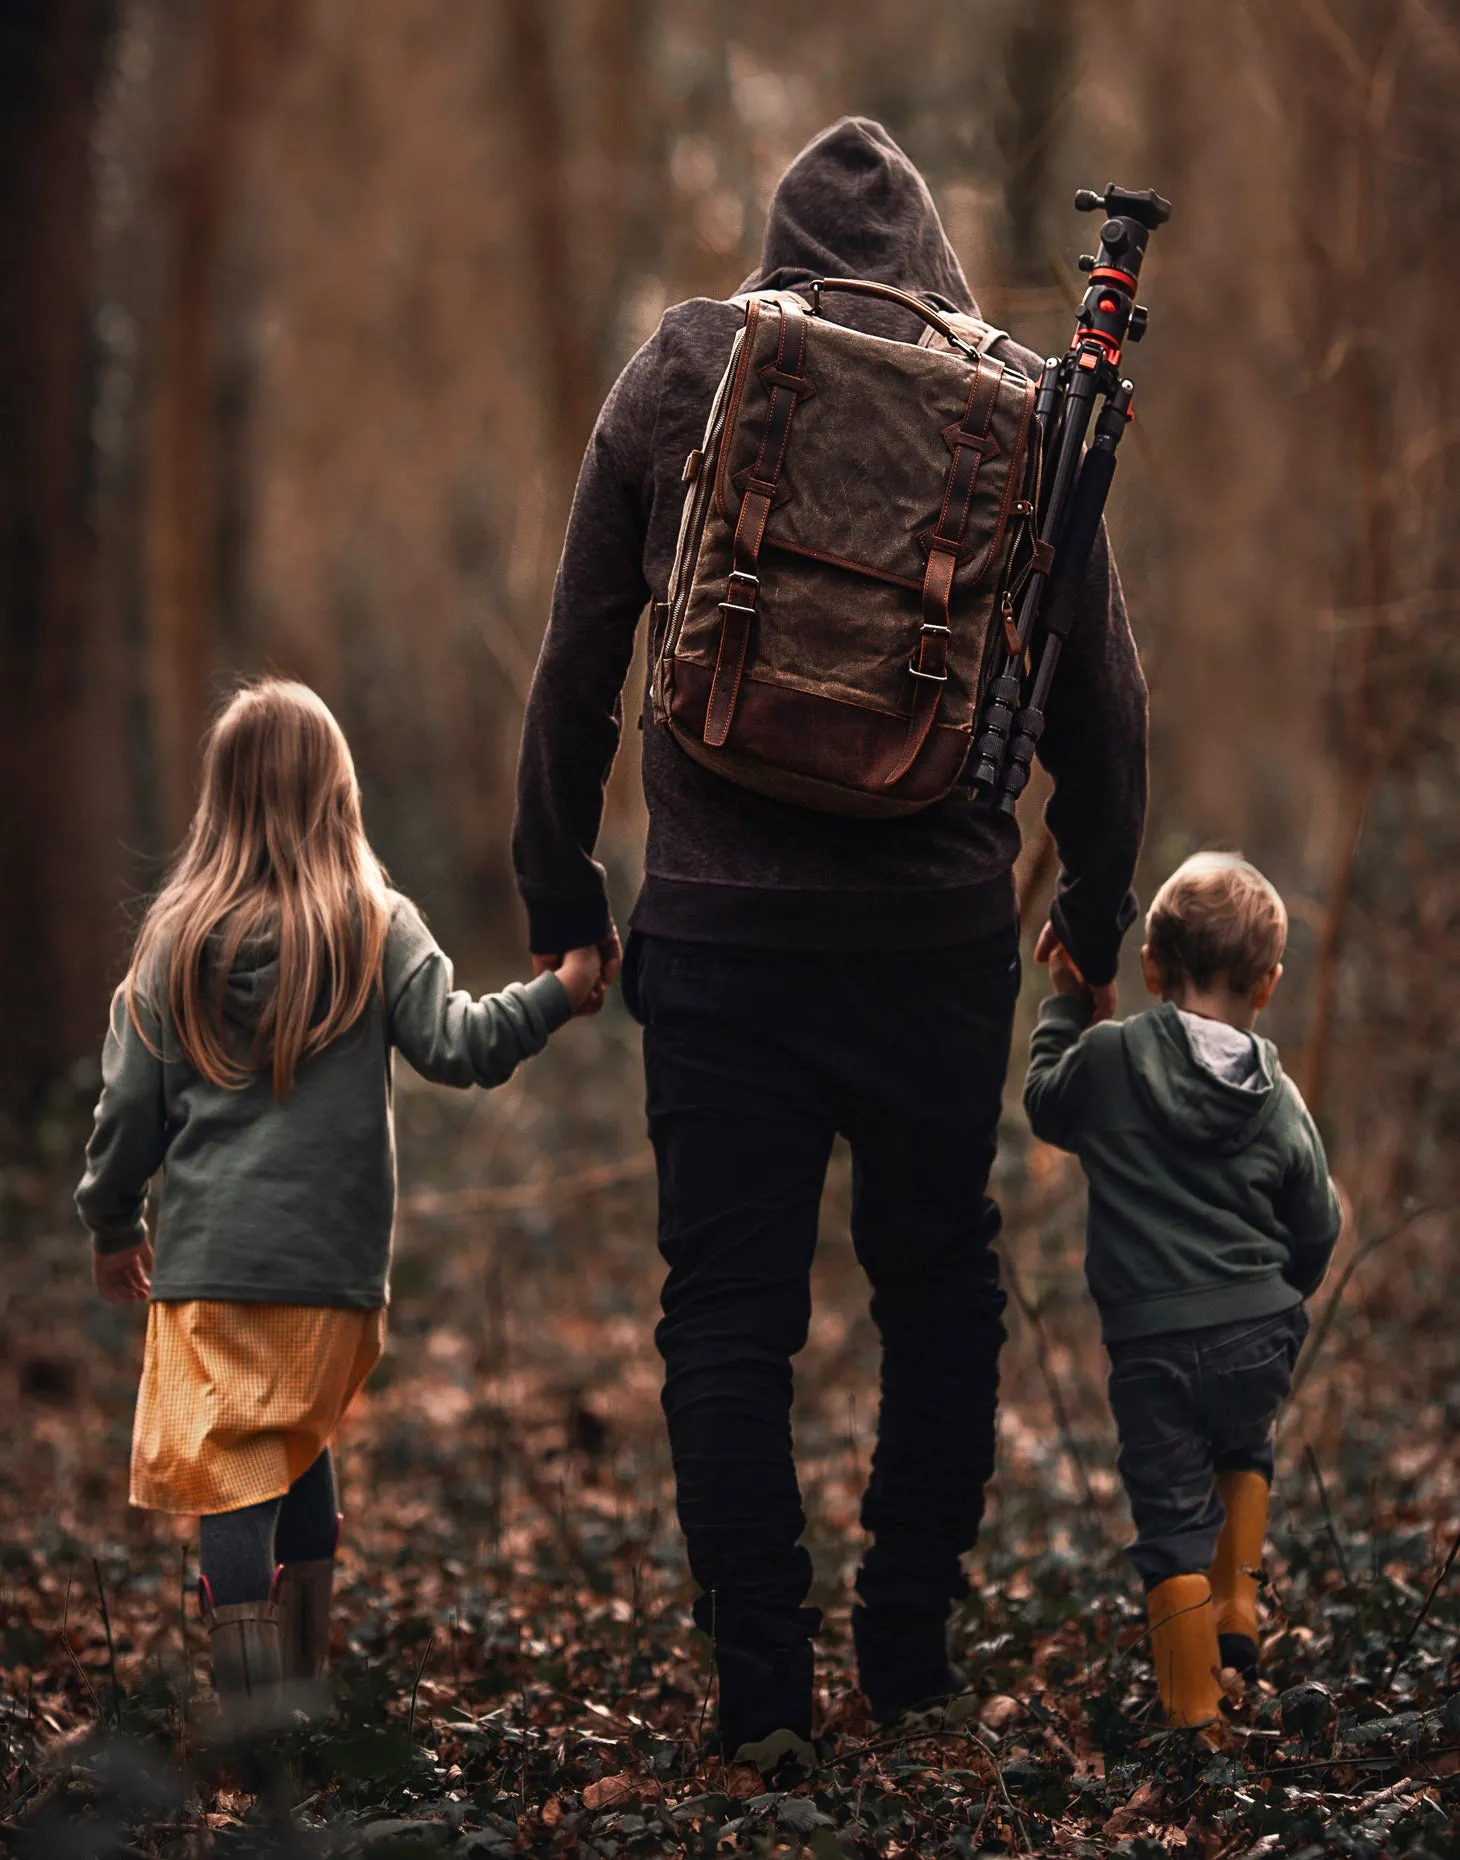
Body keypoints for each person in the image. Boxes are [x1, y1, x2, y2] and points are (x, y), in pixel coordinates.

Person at [513, 117, 1147, 1754]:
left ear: (775, 249)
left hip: (717, 940)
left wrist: (564, 900)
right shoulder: (1024, 402)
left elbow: (578, 658)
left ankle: (763, 1688)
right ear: (931, 260)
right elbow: (1106, 705)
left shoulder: (687, 371)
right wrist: (1092, 905)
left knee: (728, 1310)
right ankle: (914, 1658)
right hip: (936, 935)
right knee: (939, 1287)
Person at [76, 679, 601, 1720]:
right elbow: (458, 1044)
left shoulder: (170, 945)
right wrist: (559, 992)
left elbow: (125, 1112)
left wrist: (109, 1225)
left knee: (236, 1467)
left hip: (210, 1272)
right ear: (337, 796)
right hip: (334, 1278)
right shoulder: (373, 923)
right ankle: (302, 1688)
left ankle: (251, 1716)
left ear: (217, 803)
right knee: (296, 1439)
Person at [1023, 852, 1342, 1728]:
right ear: (1269, 985)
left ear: (1151, 970)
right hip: (1258, 1330)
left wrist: (1064, 1007)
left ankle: (1194, 1716)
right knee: (1247, 1447)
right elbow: (1317, 1222)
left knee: (1168, 1518)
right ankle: (1239, 1605)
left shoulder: (1112, 1058)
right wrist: (1284, 1298)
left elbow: (1046, 1103)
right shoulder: (1280, 1099)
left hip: (1152, 1345)